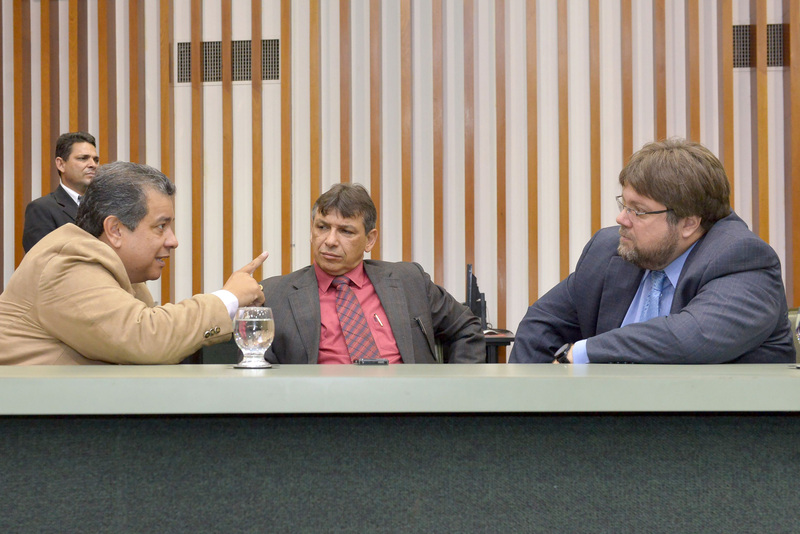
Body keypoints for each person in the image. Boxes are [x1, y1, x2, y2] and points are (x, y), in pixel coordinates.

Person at [510, 138, 794, 364]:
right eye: (624, 205)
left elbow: (690, 338)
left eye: (639, 211)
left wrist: (584, 353)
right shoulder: (608, 250)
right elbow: (540, 325)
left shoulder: (743, 259)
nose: (622, 219)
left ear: (689, 223)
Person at [0, 161, 267, 365]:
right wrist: (228, 298)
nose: (173, 241)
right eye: (161, 226)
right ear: (115, 230)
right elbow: (148, 338)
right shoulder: (68, 263)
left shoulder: (121, 274)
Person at [260, 183, 485, 364]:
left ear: (370, 240)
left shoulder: (409, 281)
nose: (330, 241)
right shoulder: (274, 295)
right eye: (322, 227)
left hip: (407, 401)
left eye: (345, 231)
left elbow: (466, 327)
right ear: (311, 231)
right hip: (323, 403)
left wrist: (456, 391)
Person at [23, 131, 100, 252]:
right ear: (61, 164)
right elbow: (42, 259)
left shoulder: (104, 206)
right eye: (83, 158)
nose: (93, 165)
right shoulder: (42, 209)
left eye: (96, 160)